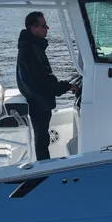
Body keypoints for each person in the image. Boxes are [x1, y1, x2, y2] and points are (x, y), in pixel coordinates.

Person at [16, 11, 76, 161]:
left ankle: (44, 164)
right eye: (43, 25)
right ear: (33, 28)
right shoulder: (31, 50)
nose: (47, 28)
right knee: (42, 138)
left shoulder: (30, 46)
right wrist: (67, 87)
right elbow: (45, 80)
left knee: (42, 136)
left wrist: (63, 86)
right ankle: (44, 168)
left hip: (35, 94)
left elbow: (44, 77)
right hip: (37, 98)